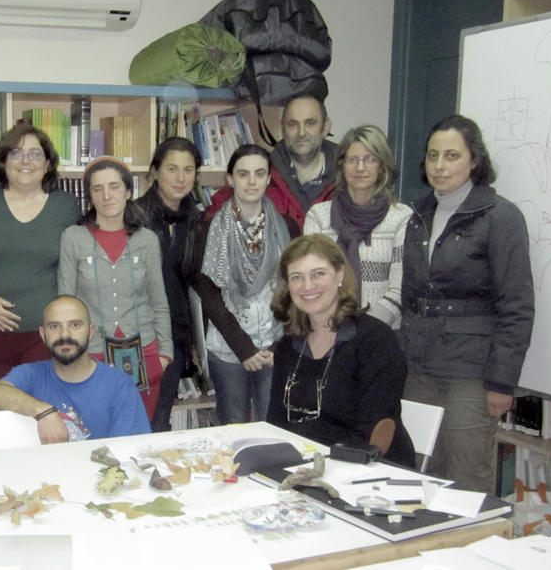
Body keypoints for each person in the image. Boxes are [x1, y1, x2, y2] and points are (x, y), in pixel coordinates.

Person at [400, 115, 534, 493]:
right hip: (419, 368)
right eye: (432, 156)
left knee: (467, 478)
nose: (439, 166)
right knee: (418, 473)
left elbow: (517, 305)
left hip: (471, 374)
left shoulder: (501, 217)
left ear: (474, 160)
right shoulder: (418, 215)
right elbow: (411, 296)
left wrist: (502, 382)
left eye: (451, 155)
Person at [267, 235, 415, 467]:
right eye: (297, 277)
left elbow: (372, 431)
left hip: (370, 471)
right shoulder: (288, 346)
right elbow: (276, 424)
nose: (307, 286)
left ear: (340, 274)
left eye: (318, 274)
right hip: (307, 464)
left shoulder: (375, 340)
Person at [57, 157, 173, 420]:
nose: (106, 195)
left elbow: (158, 302)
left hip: (144, 355)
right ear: (90, 196)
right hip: (91, 356)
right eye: (98, 189)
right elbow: (65, 305)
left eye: (114, 187)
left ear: (129, 192)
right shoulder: (73, 238)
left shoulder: (147, 240)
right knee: (95, 436)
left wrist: (164, 354)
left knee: (137, 436)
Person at [194, 145, 299, 425]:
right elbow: (209, 295)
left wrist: (281, 345)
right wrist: (243, 348)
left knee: (273, 428)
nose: (251, 182)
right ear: (230, 179)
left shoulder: (288, 228)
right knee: (233, 430)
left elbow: (296, 290)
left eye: (259, 173)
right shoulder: (209, 229)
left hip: (273, 347)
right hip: (229, 349)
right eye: (243, 174)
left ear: (268, 178)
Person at [0, 125, 81, 388]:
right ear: (3, 160)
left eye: (35, 154)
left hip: (50, 335)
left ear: (47, 163)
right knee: (2, 417)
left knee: (48, 416)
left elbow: (79, 267)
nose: (25, 161)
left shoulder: (66, 205)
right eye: (16, 153)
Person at [0, 295, 150, 443]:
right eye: (55, 326)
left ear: (90, 332)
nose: (64, 334)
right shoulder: (32, 374)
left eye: (75, 325)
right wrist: (44, 411)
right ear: (43, 334)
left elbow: (130, 452)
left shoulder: (119, 385)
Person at [303, 125, 412, 329]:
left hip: (381, 335)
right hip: (329, 330)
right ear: (342, 165)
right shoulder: (318, 216)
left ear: (382, 166)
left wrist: (365, 332)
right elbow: (311, 283)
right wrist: (333, 326)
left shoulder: (401, 218)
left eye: (370, 159)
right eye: (352, 160)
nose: (360, 168)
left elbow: (400, 287)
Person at [133, 137, 203, 431]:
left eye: (188, 170)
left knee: (160, 419)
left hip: (175, 338)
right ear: (154, 171)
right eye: (172, 168)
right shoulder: (132, 216)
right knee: (131, 416)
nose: (180, 178)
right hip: (134, 335)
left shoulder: (198, 220)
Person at [207, 95, 337, 229]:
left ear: (326, 127)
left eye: (310, 123)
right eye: (293, 124)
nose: (301, 132)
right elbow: (212, 225)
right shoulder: (261, 172)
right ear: (283, 128)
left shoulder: (347, 179)